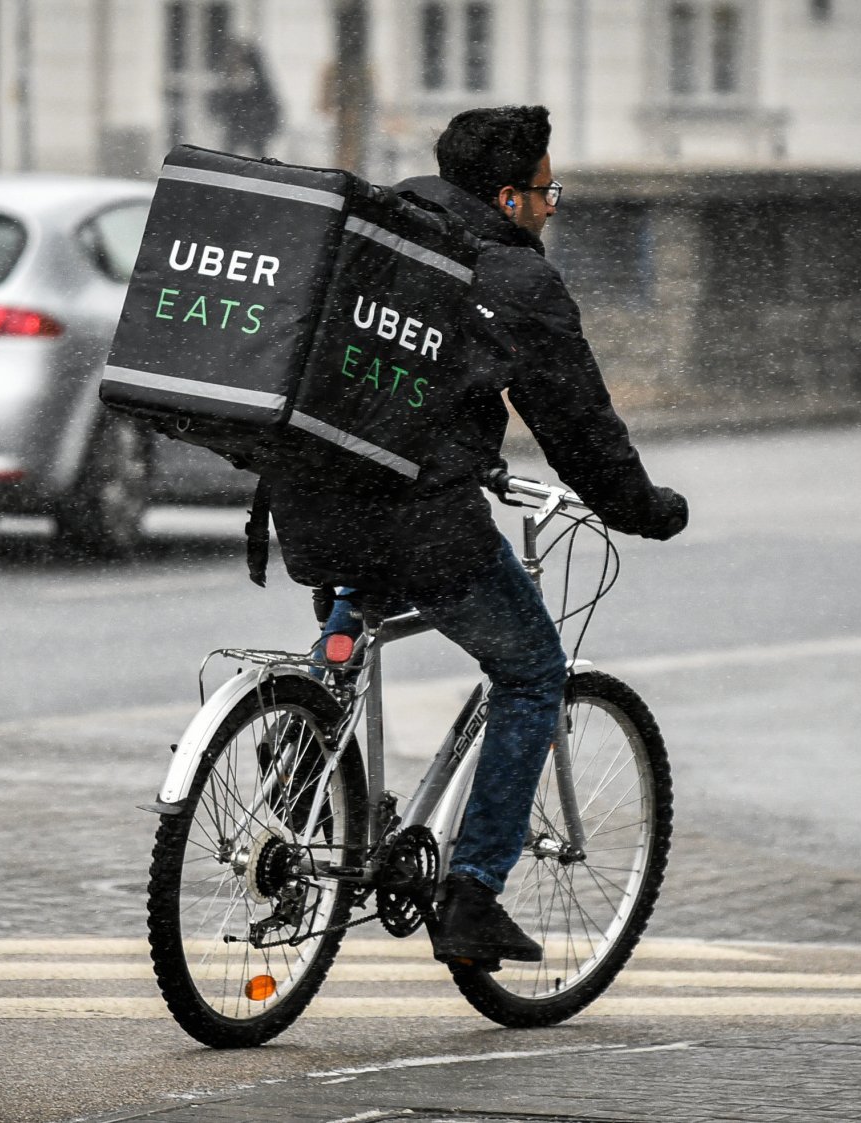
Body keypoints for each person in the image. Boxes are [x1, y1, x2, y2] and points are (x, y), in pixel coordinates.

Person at [268, 105, 688, 966]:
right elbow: (579, 428)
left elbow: (392, 378)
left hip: (312, 499)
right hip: (422, 522)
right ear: (507, 195)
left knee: (353, 617)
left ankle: (297, 794)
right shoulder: (512, 278)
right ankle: (472, 896)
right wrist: (644, 508)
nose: (550, 208)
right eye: (546, 192)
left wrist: (474, 451)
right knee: (533, 671)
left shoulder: (379, 232)